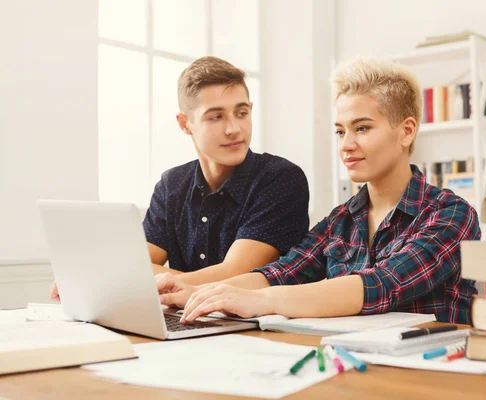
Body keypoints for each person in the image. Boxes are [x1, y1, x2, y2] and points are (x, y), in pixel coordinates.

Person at [155, 57, 480, 324]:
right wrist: (192, 291)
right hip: (351, 370)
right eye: (340, 131)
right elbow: (280, 273)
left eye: (362, 128)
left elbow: (381, 285)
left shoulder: (452, 215)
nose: (347, 145)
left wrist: (257, 301)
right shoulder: (341, 220)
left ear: (406, 131)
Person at [49, 56, 310, 300]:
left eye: (241, 113)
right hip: (188, 321)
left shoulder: (281, 178)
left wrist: (119, 282)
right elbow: (134, 266)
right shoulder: (172, 185)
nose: (234, 129)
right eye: (216, 116)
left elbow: (235, 274)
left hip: (260, 327)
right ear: (185, 123)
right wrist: (98, 278)